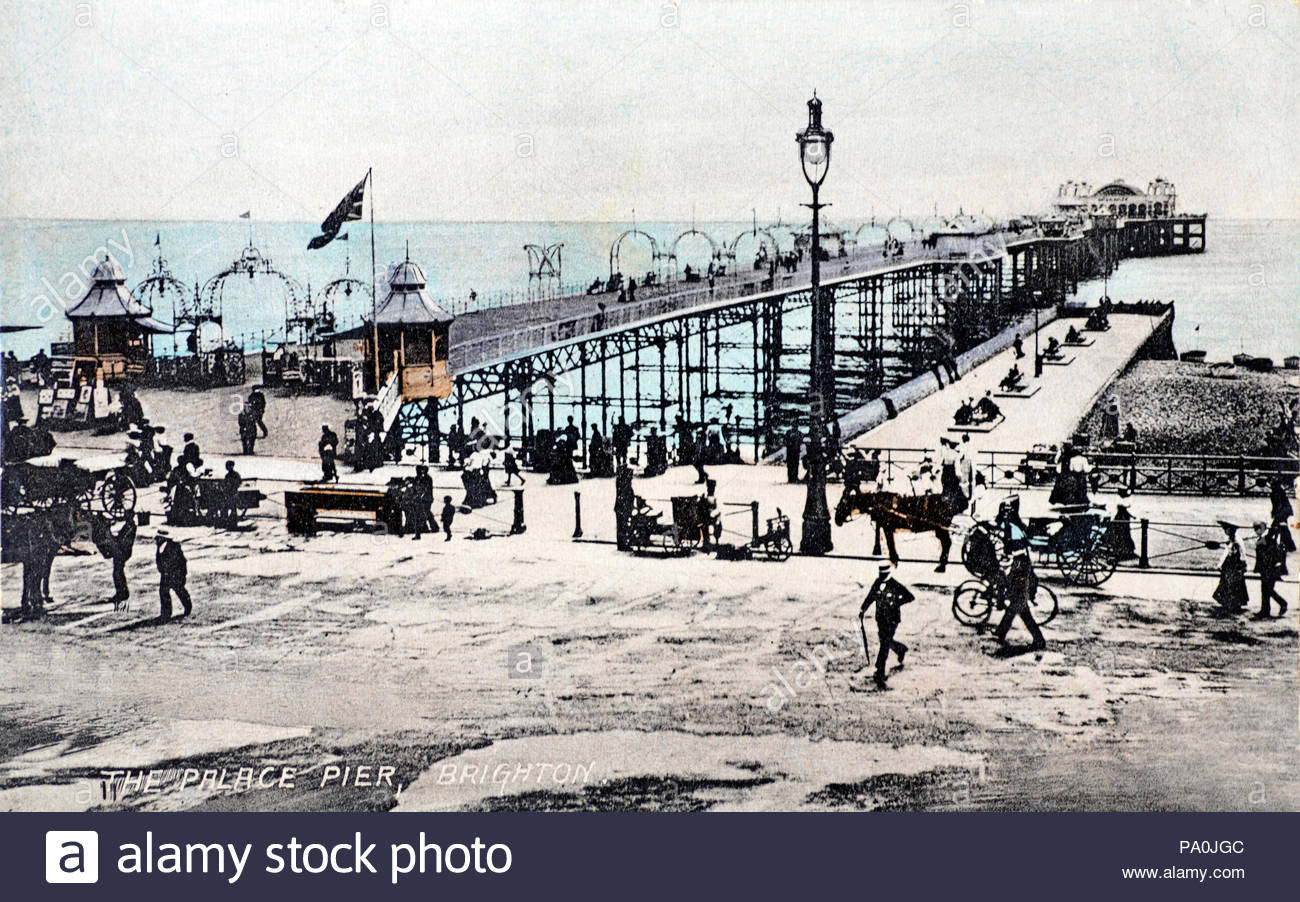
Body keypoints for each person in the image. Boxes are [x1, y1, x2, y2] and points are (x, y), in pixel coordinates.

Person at [860, 563, 914, 689]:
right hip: (880, 619)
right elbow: (870, 597)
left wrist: (896, 603)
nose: (881, 576)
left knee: (884, 644)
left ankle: (880, 670)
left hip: (892, 619)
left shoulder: (895, 584)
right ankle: (900, 649)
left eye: (883, 574)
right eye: (880, 574)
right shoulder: (877, 583)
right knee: (885, 641)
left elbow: (910, 597)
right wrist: (863, 610)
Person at [994, 548, 1046, 650]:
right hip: (1021, 597)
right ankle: (1000, 633)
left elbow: (1012, 580)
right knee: (1018, 616)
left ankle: (1039, 640)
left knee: (1019, 617)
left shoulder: (1018, 565)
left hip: (1018, 597)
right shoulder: (1024, 565)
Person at [90, 513, 136, 608]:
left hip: (122, 551)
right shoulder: (129, 526)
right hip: (122, 551)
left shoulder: (130, 527)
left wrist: (110, 534)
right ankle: (122, 592)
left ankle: (122, 593)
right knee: (118, 572)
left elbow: (121, 539)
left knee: (117, 572)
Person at [1252, 521, 1288, 619]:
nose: (1256, 531)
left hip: (1270, 569)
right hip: (1266, 569)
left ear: (1263, 528)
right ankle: (1265, 610)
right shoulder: (1265, 538)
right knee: (1265, 589)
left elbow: (1271, 554)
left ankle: (1282, 603)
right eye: (1254, 528)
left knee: (1268, 589)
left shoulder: (1268, 539)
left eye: (1257, 528)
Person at [155, 531, 192, 621]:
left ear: (163, 538)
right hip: (166, 574)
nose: (156, 540)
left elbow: (182, 561)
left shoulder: (174, 547)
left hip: (175, 574)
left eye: (157, 538)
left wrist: (182, 574)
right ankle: (166, 613)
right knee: (163, 592)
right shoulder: (160, 547)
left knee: (179, 590)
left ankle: (188, 606)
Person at [1212, 522, 1248, 614]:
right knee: (1228, 582)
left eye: (1226, 530)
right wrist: (1220, 564)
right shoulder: (1231, 539)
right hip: (1230, 564)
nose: (1225, 531)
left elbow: (1242, 553)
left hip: (1235, 565)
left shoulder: (1237, 541)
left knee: (1233, 583)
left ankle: (1233, 604)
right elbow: (1226, 552)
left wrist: (1244, 564)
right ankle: (1229, 603)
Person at [1269, 478, 1296, 552]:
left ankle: (1269, 539)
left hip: (1283, 511)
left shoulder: (1276, 493)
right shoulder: (1278, 491)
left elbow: (1278, 505)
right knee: (1283, 527)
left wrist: (1276, 513)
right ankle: (1289, 545)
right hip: (1285, 511)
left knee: (1277, 526)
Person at [409, 465, 434, 540]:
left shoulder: (427, 478)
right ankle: (423, 529)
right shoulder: (417, 478)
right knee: (422, 515)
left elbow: (426, 489)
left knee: (425, 514)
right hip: (420, 499)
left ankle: (429, 527)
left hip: (426, 499)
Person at [614, 464, 635, 550]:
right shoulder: (625, 486)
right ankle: (623, 544)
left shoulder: (621, 483)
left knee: (622, 526)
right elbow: (627, 496)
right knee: (623, 526)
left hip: (622, 507)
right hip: (623, 508)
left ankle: (622, 543)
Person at [220, 460, 242, 526]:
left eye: (228, 466)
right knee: (227, 508)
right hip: (229, 493)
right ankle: (227, 521)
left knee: (232, 508)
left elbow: (238, 483)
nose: (227, 467)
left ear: (232, 466)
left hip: (233, 493)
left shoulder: (235, 475)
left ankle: (231, 521)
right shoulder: (228, 475)